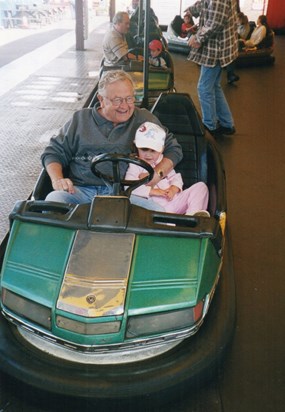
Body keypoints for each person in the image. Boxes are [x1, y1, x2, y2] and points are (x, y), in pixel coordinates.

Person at [41, 70, 183, 208]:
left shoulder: (144, 119)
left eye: (129, 98)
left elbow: (173, 148)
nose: (124, 106)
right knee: (54, 201)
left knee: (156, 212)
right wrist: (58, 180)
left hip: (126, 195)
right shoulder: (80, 120)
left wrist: (157, 175)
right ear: (101, 99)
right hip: (81, 191)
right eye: (117, 100)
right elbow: (54, 152)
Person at [125, 122, 209, 216]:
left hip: (174, 201)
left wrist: (174, 188)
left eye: (153, 150)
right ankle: (176, 227)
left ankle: (192, 217)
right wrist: (153, 192)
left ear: (161, 149)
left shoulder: (162, 161)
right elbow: (128, 187)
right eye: (144, 149)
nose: (148, 154)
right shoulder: (135, 165)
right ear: (136, 145)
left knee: (201, 187)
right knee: (161, 217)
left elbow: (175, 177)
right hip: (156, 208)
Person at [185, 0, 239, 138]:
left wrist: (197, 38)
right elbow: (205, 3)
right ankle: (227, 124)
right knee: (213, 86)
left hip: (217, 48)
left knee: (204, 88)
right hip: (219, 46)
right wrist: (191, 10)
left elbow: (214, 23)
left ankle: (210, 126)